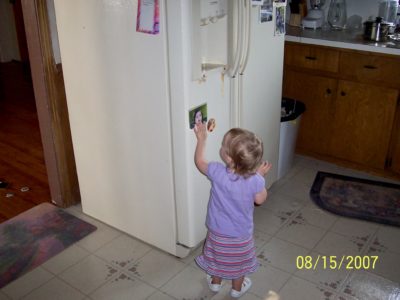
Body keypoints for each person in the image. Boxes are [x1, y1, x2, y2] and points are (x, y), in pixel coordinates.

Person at [193, 123, 272, 298]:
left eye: (223, 146)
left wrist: (202, 139)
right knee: (239, 263)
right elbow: (260, 199)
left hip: (216, 231)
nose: (221, 148)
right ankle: (236, 289)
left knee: (217, 257)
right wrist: (260, 177)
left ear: (228, 157)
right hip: (240, 234)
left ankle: (215, 284)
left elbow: (199, 162)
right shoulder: (254, 180)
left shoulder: (216, 171)